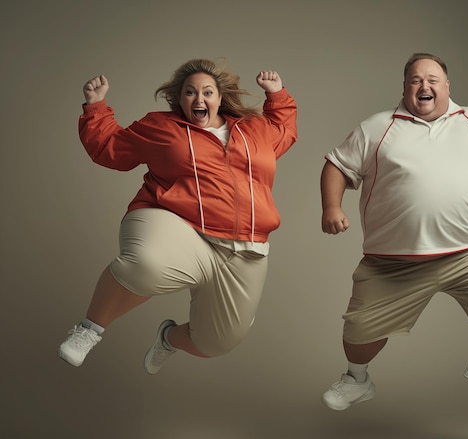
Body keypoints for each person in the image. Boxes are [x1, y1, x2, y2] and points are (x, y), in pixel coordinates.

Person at [320, 52, 468, 410]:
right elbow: (337, 165)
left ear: (446, 86)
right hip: (392, 261)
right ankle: (356, 379)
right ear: (405, 87)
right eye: (415, 80)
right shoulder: (378, 127)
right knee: (359, 334)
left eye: (432, 79)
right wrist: (332, 207)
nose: (423, 86)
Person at [58, 58, 297, 374]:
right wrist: (96, 107)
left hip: (245, 246)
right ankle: (89, 329)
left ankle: (168, 338)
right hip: (173, 221)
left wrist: (277, 94)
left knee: (216, 343)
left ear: (220, 98)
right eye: (190, 92)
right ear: (179, 98)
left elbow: (284, 129)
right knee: (146, 265)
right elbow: (110, 147)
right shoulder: (162, 128)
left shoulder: (254, 130)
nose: (199, 99)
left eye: (207, 92)